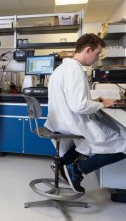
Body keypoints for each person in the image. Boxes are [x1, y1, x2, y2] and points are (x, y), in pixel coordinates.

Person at [45, 33, 126, 193]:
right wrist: (101, 104)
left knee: (86, 142)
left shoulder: (61, 68)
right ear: (88, 50)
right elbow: (79, 106)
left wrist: (96, 102)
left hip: (60, 121)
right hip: (72, 123)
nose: (96, 58)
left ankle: (62, 162)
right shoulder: (75, 71)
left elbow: (73, 99)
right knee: (124, 144)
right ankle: (78, 170)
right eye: (97, 53)